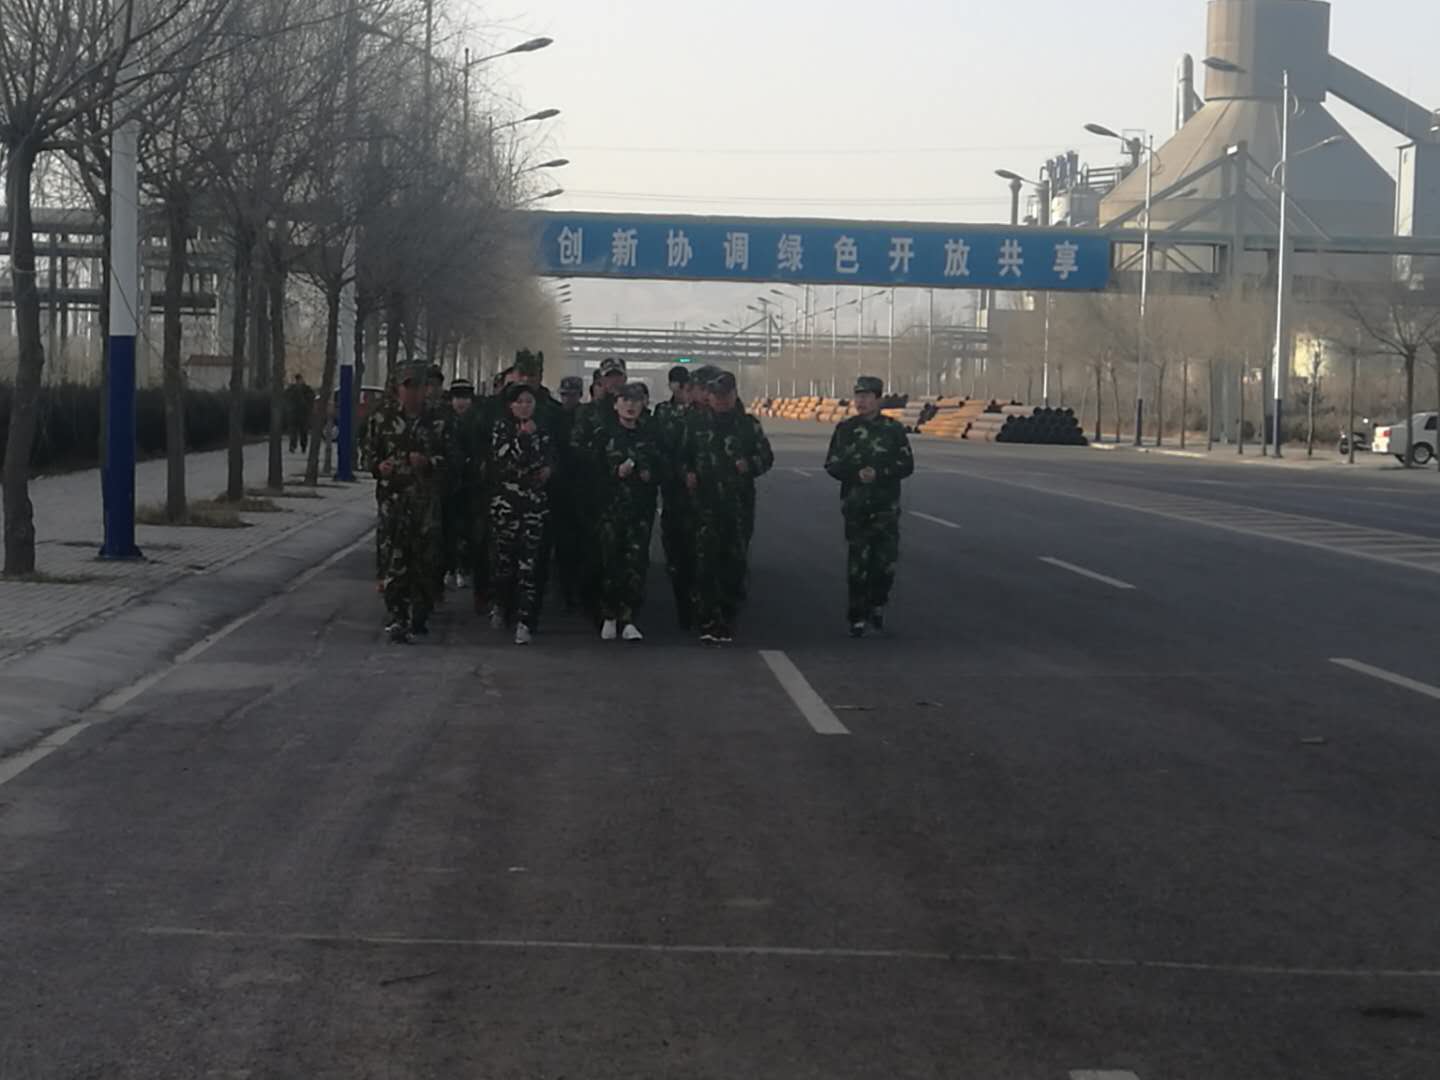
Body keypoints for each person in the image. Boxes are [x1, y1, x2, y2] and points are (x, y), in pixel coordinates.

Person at [683, 369, 774, 644]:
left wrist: (750, 465)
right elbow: (682, 455)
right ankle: (707, 619)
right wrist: (687, 472)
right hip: (704, 504)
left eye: (726, 395)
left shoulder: (748, 425)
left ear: (734, 395)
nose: (721, 400)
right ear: (709, 396)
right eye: (716, 395)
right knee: (705, 562)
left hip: (738, 505)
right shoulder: (696, 423)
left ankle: (727, 617)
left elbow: (766, 457)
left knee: (734, 563)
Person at [824, 375, 915, 637]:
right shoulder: (845, 429)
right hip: (856, 507)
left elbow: (906, 465)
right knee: (858, 564)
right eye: (858, 396)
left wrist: (880, 473)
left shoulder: (893, 430)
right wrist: (855, 474)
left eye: (866, 396)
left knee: (885, 564)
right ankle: (857, 616)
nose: (861, 401)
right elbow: (832, 464)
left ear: (878, 399)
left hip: (885, 507)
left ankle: (877, 603)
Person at [366, 363, 445, 644]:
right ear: (398, 389)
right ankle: (397, 615)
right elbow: (368, 455)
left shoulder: (437, 421)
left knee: (424, 560)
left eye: (417, 387)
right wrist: (379, 467)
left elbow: (453, 459)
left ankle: (419, 616)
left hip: (424, 501)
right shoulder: (382, 419)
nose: (412, 393)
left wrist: (429, 462)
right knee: (393, 558)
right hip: (393, 501)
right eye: (407, 387)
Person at [488, 382, 555, 645]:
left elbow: (546, 461)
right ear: (511, 405)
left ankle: (526, 620)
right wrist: (523, 438)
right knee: (504, 563)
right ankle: (501, 605)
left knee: (530, 565)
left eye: (529, 402)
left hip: (533, 506)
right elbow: (504, 460)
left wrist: (547, 469)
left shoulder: (544, 429)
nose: (525, 406)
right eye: (520, 402)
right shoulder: (501, 428)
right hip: (506, 506)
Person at [596, 382, 661, 641]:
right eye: (625, 400)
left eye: (635, 401)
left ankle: (629, 618)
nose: (630, 406)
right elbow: (590, 469)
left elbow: (663, 466)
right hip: (610, 509)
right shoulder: (604, 434)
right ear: (616, 405)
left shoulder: (649, 436)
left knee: (635, 564)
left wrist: (649, 474)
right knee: (610, 561)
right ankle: (609, 615)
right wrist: (614, 472)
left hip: (640, 510)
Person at [571, 357, 629, 623]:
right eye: (609, 377)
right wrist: (604, 459)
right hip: (593, 491)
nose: (614, 382)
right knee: (592, 551)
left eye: (618, 376)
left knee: (622, 554)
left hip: (625, 495)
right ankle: (592, 605)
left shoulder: (631, 408)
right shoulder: (588, 412)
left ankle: (619, 607)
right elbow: (576, 447)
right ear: (601, 380)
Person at [653, 365, 695, 628]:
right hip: (672, 489)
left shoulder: (700, 413)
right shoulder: (663, 412)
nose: (682, 390)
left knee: (698, 549)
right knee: (675, 549)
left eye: (686, 385)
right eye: (678, 385)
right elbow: (658, 445)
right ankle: (683, 602)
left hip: (697, 491)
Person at [551, 375, 586, 610]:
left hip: (582, 486)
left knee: (581, 543)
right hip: (559, 486)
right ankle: (564, 590)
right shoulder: (553, 417)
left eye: (572, 395)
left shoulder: (586, 417)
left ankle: (577, 589)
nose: (568, 399)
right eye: (564, 395)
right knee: (562, 543)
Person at [441, 379, 477, 591]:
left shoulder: (477, 422)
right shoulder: (444, 421)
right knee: (447, 528)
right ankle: (449, 568)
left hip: (471, 485)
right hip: (448, 484)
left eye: (465, 398)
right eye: (457, 398)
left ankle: (464, 568)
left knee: (467, 529)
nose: (461, 403)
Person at [285, 373, 315, 453]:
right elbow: (287, 397)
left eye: (300, 380)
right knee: (293, 431)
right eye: (298, 380)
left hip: (303, 413)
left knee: (303, 432)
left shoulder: (307, 389)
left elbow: (311, 397)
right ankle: (292, 446)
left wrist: (308, 406)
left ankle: (303, 446)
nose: (299, 381)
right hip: (294, 413)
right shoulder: (292, 388)